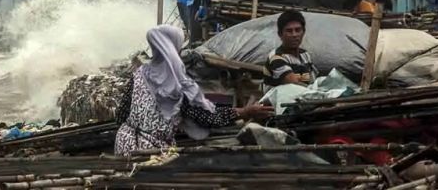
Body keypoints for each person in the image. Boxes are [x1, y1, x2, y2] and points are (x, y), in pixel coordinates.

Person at [114, 25, 273, 156]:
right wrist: (245, 111)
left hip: (123, 145)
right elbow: (207, 117)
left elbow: (121, 115)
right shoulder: (177, 83)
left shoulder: (139, 74)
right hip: (150, 153)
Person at [264, 10, 319, 87]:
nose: (294, 35)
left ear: (304, 32)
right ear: (280, 34)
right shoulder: (276, 57)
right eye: (289, 31)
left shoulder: (305, 55)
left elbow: (313, 80)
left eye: (298, 30)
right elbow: (294, 84)